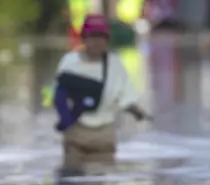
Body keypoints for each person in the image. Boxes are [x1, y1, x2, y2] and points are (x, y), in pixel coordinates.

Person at [53, 13, 150, 169]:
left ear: (107, 40)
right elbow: (59, 95)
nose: (97, 42)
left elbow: (125, 97)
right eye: (93, 36)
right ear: (84, 38)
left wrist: (137, 112)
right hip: (75, 134)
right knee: (71, 179)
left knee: (103, 182)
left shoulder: (115, 65)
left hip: (104, 136)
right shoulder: (69, 62)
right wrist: (65, 120)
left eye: (101, 37)